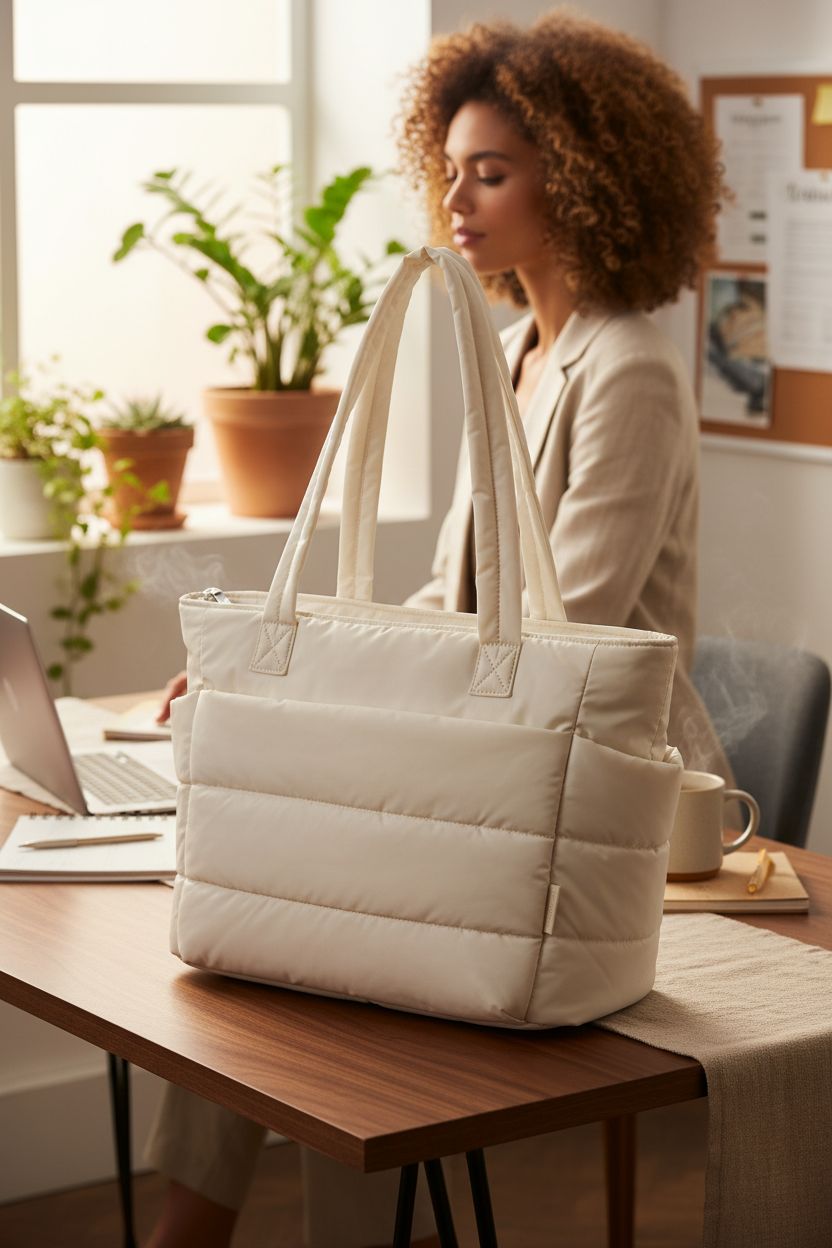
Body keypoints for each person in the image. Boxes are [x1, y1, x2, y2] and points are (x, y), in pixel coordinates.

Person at [146, 11, 730, 1246]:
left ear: (576, 181)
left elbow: (564, 624)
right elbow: (448, 602)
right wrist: (279, 682)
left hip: (584, 794)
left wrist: (349, 693)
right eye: (451, 169)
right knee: (265, 971)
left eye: (492, 173)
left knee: (309, 971)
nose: (454, 201)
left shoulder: (627, 370)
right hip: (488, 764)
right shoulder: (519, 348)